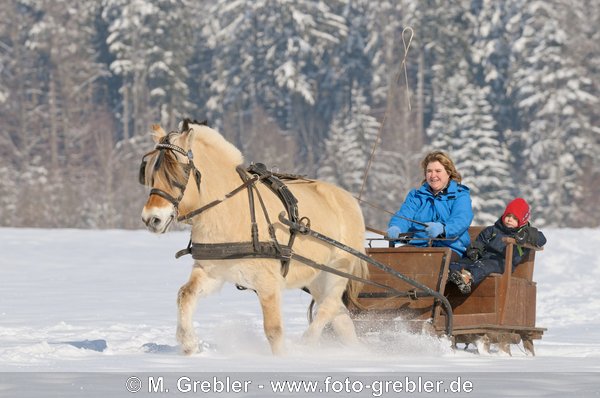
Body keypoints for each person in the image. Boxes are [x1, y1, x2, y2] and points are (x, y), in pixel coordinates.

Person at [448, 197, 547, 294]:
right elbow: (481, 240)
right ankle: (449, 272)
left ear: (522, 221)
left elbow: (542, 239)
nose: (509, 220)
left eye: (515, 218)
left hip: (503, 262)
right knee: (465, 260)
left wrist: (528, 234)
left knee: (484, 266)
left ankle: (467, 279)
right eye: (508, 215)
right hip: (484, 256)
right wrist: (476, 249)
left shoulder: (522, 236)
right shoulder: (493, 230)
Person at [386, 151, 473, 256]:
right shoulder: (416, 196)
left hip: (450, 248)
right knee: (393, 261)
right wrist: (396, 227)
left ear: (448, 173)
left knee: (431, 266)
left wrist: (443, 229)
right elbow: (404, 215)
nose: (433, 175)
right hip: (418, 247)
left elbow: (461, 219)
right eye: (429, 171)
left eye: (438, 171)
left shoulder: (460, 195)